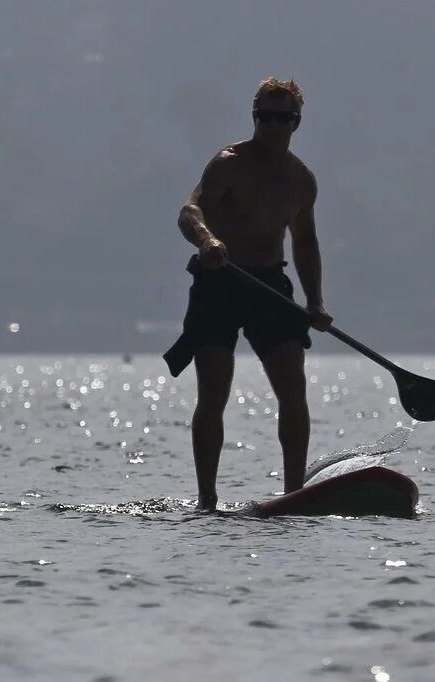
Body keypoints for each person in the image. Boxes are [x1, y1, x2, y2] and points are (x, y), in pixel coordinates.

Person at [163, 77, 333, 511]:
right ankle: (207, 500)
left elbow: (305, 243)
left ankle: (295, 494)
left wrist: (315, 301)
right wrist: (207, 241)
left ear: (297, 122)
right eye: (264, 116)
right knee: (214, 392)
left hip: (269, 285)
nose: (272, 126)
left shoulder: (301, 180)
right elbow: (189, 210)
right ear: (254, 116)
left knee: (293, 389)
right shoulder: (228, 164)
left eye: (283, 118)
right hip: (218, 282)